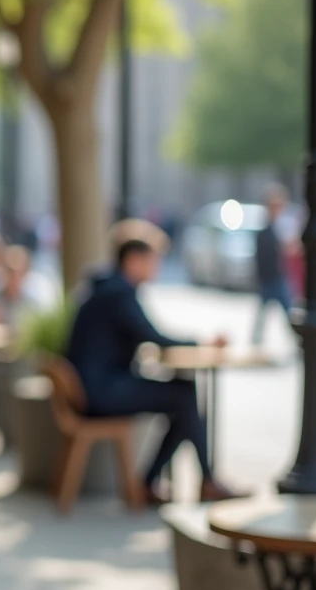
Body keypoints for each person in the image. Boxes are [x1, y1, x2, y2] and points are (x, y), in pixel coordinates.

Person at [67, 234, 242, 504]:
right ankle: (195, 481)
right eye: (153, 260)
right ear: (133, 260)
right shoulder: (118, 292)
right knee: (184, 397)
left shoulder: (105, 287)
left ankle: (159, 482)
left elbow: (140, 335)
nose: (157, 267)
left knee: (183, 398)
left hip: (94, 386)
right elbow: (153, 335)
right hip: (101, 391)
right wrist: (202, 342)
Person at [253, 184, 294, 344]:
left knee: (286, 311)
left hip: (276, 276)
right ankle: (256, 341)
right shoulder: (266, 228)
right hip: (270, 277)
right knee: (266, 314)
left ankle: (296, 340)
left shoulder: (280, 226)